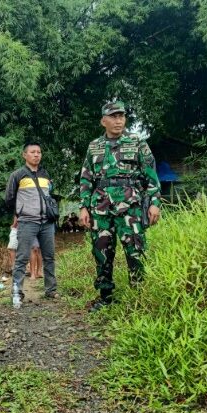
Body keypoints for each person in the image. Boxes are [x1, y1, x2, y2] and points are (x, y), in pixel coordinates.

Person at [79, 101, 161, 312]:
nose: (118, 120)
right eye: (113, 116)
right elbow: (86, 178)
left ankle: (139, 298)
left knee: (135, 250)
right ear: (103, 121)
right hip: (101, 209)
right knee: (102, 252)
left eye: (121, 116)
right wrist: (83, 207)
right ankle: (105, 297)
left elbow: (151, 175)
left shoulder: (137, 142)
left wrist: (154, 203)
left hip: (130, 207)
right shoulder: (93, 146)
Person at [5, 141, 58, 309]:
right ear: (24, 155)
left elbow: (50, 194)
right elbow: (9, 198)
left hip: (47, 222)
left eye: (39, 152)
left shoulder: (45, 174)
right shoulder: (17, 175)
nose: (36, 155)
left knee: (49, 257)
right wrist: (18, 213)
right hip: (27, 221)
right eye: (33, 152)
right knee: (21, 258)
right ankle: (17, 292)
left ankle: (51, 290)